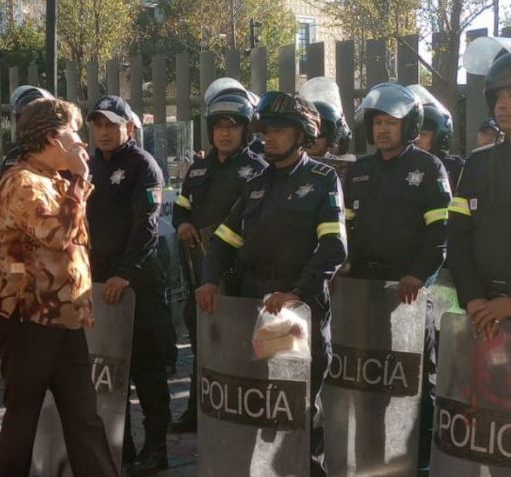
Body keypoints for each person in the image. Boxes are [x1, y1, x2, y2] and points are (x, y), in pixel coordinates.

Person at [196, 92, 347, 476]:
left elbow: (334, 246)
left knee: (297, 410)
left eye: (279, 131)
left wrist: (296, 292)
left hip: (296, 312)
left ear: (302, 135)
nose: (269, 138)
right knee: (258, 407)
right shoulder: (258, 183)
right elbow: (224, 240)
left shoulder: (322, 179)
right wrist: (209, 280)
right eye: (266, 130)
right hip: (252, 310)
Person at [0, 97, 118, 477]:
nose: (81, 141)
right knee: (22, 416)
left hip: (64, 318)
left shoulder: (53, 181)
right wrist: (79, 182)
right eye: (72, 132)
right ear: (49, 138)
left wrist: (75, 182)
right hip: (28, 318)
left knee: (84, 416)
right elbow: (56, 234)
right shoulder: (22, 182)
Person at [344, 82, 451, 474]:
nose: (383, 130)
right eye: (377, 122)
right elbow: (347, 233)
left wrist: (417, 275)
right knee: (367, 376)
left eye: (392, 122)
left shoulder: (428, 168)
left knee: (415, 379)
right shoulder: (358, 171)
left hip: (408, 295)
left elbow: (441, 234)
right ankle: (370, 452)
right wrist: (344, 268)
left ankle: (420, 460)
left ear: (409, 126)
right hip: (363, 295)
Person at [169, 78, 266, 433]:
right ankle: (198, 410)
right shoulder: (197, 169)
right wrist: (182, 224)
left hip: (239, 274)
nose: (225, 134)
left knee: (241, 344)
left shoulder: (258, 169)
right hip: (199, 271)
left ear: (245, 130)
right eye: (219, 127)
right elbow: (181, 208)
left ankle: (241, 413)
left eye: (233, 127)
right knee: (202, 341)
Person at [86, 95, 172, 476]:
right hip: (99, 281)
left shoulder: (143, 166)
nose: (103, 132)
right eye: (98, 125)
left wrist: (125, 273)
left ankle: (156, 449)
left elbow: (147, 227)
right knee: (108, 367)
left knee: (146, 369)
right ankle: (123, 446)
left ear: (130, 127)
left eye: (111, 124)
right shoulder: (88, 166)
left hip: (137, 283)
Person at [448, 51, 511, 341]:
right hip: (481, 316)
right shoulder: (477, 163)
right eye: (497, 96)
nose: (503, 104)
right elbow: (458, 236)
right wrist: (472, 297)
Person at [0, 85, 54, 191]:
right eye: (24, 120)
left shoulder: (63, 158)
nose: (30, 126)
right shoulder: (13, 157)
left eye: (37, 120)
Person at [411, 84, 465, 194]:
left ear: (440, 137)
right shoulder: (402, 165)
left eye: (423, 134)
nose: (416, 139)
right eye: (414, 134)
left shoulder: (457, 169)